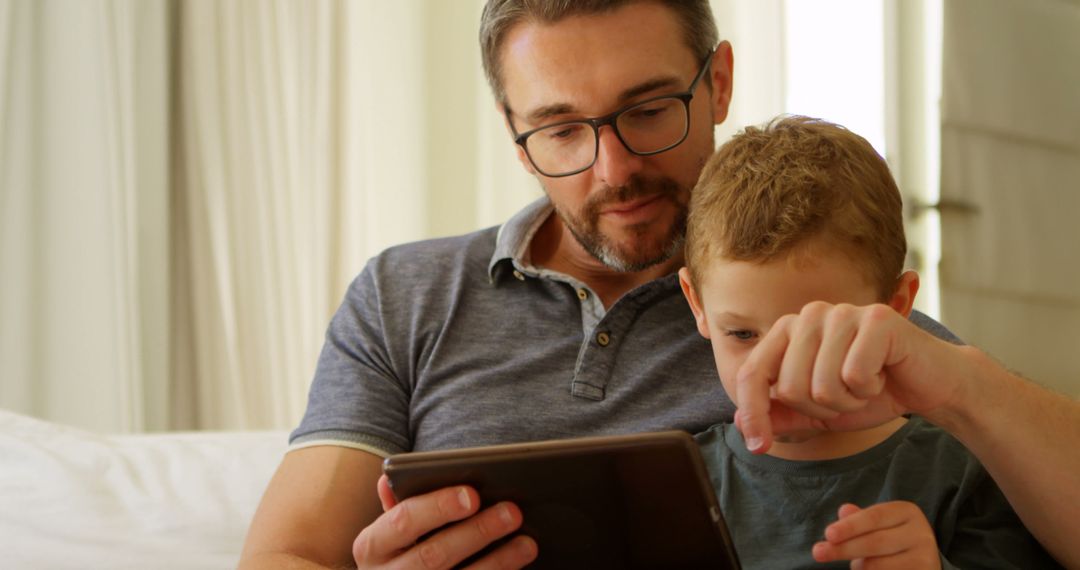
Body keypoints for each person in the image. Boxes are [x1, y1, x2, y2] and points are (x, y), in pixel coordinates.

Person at [240, 1, 1079, 568]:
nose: (617, 169)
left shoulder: (816, 294)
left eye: (647, 111)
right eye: (562, 129)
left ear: (716, 82)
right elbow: (285, 554)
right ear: (513, 129)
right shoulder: (406, 295)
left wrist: (968, 384)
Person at [678, 115, 1060, 569]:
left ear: (897, 307)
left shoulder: (970, 474)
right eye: (742, 334)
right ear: (696, 304)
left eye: (816, 335)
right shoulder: (676, 483)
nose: (778, 370)